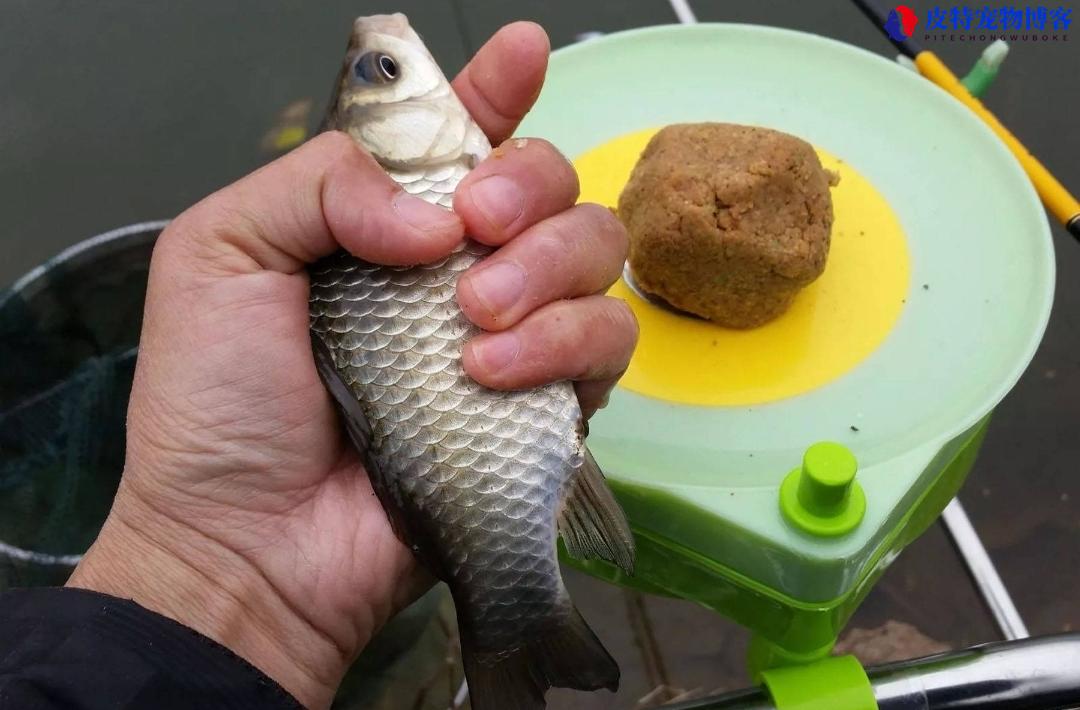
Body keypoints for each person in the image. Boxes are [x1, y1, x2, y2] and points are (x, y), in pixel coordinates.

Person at [0, 22, 637, 710]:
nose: (386, 50)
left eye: (381, 70)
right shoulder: (391, 192)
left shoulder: (408, 188)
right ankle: (517, 617)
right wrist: (207, 558)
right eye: (386, 72)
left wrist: (207, 575)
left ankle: (514, 614)